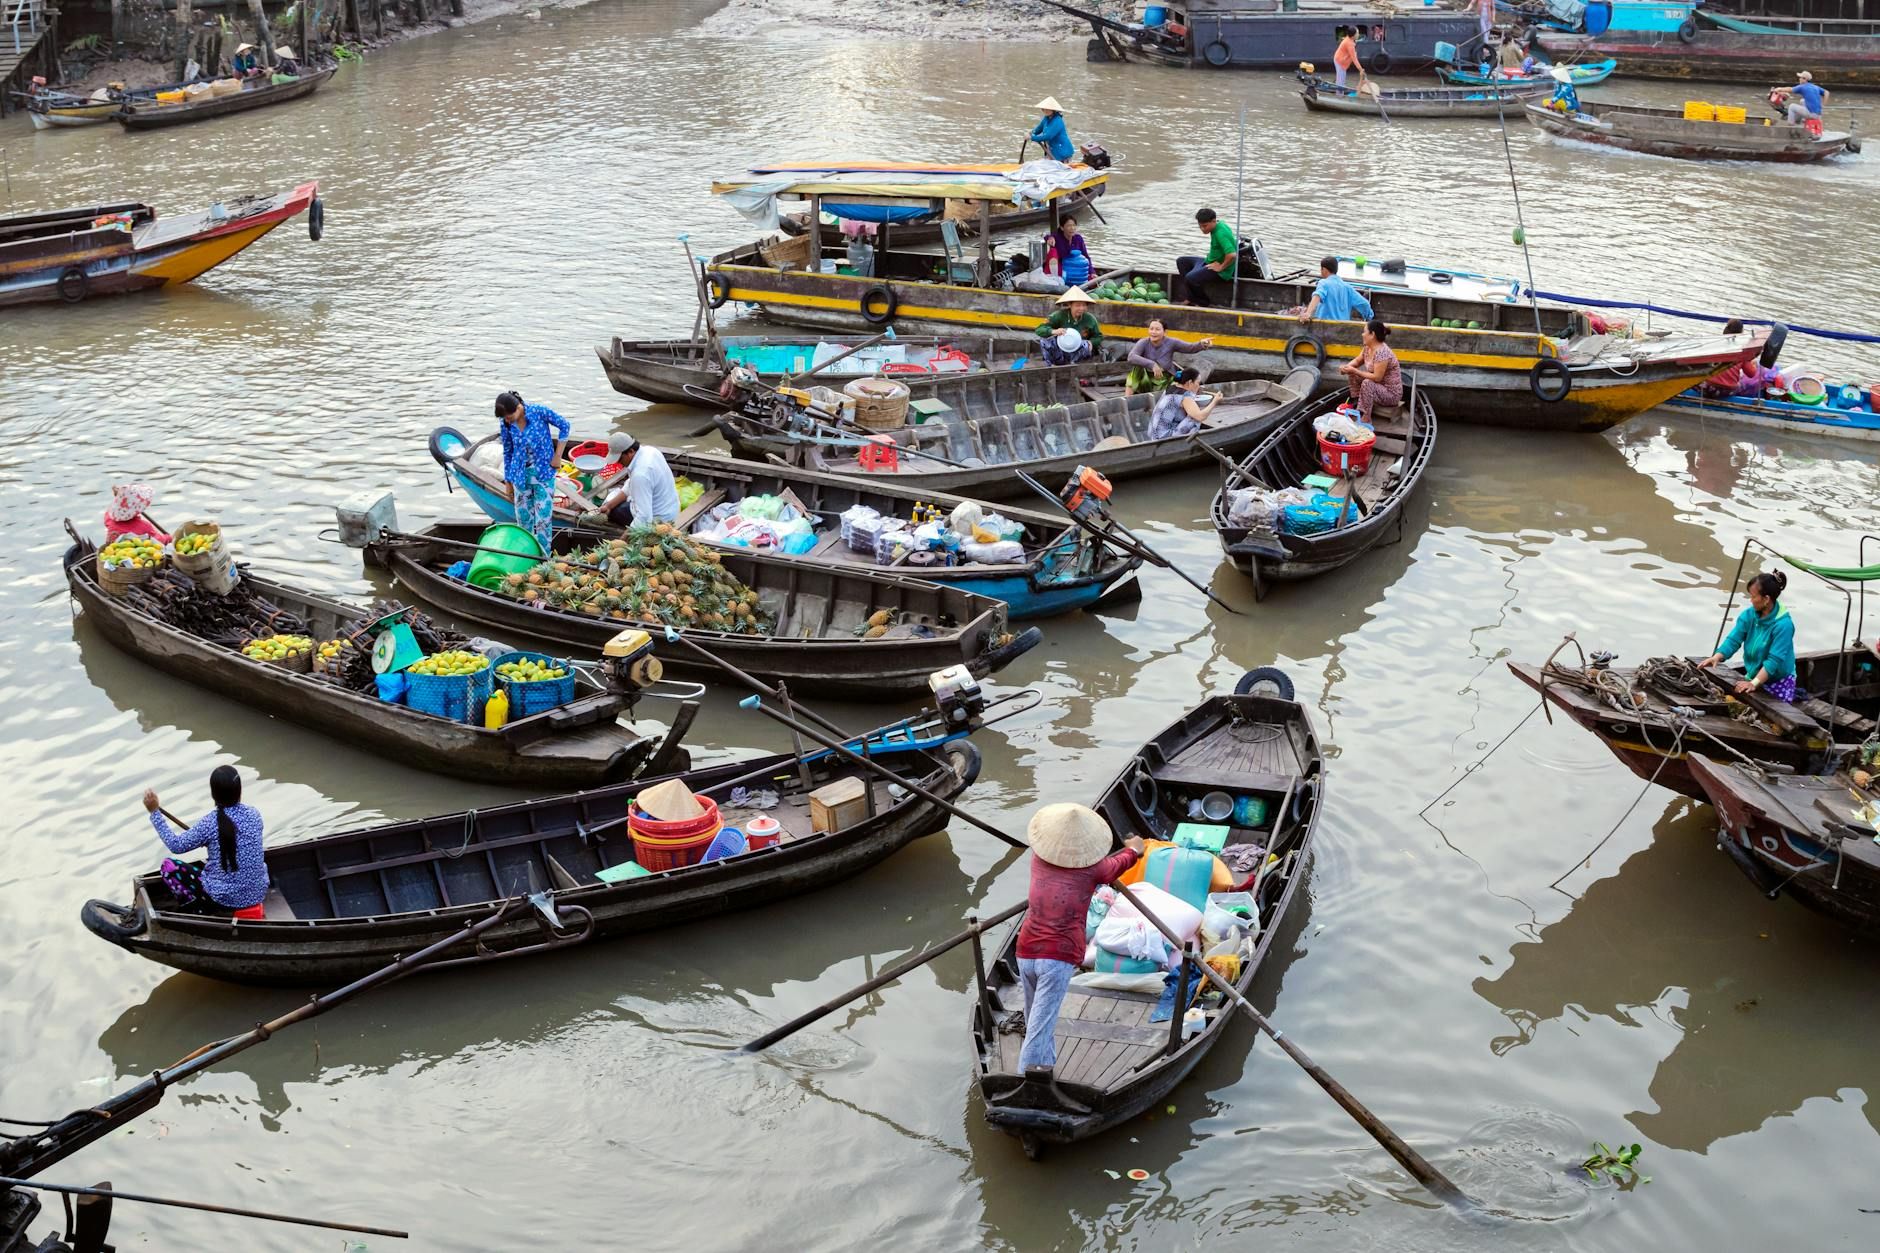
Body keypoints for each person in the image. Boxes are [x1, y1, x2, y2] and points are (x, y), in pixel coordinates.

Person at [1013, 803, 1144, 1074]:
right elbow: (1116, 865)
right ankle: (1027, 1082)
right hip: (1056, 958)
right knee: (1039, 1027)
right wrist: (1135, 850)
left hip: (1025, 951)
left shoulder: (1038, 860)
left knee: (1035, 1020)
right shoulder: (1094, 870)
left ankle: (1044, 1070)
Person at [144, 766, 268, 918]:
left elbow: (175, 845)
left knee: (168, 867)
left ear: (213, 794)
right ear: (240, 790)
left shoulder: (209, 824)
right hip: (258, 892)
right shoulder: (254, 815)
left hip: (224, 899)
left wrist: (154, 813)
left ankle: (198, 912)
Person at [1702, 571, 1799, 702]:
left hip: (1777, 680)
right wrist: (1717, 657)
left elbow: (1773, 661)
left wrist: (1754, 683)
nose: (1750, 600)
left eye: (1753, 597)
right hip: (1753, 674)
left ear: (1766, 599)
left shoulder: (1784, 626)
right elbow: (1734, 639)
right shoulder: (1749, 615)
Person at [495, 390, 570, 554]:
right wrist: (508, 482)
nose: (507, 420)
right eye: (504, 418)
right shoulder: (506, 423)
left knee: (543, 520)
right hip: (520, 477)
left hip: (543, 475)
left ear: (518, 407)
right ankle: (525, 556)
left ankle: (544, 558)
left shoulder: (539, 412)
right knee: (524, 521)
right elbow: (508, 452)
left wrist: (558, 456)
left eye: (508, 416)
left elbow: (565, 426)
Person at [579, 438, 681, 529]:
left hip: (659, 520)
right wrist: (609, 506)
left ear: (631, 452)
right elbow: (630, 485)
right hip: (672, 508)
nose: (619, 463)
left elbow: (644, 517)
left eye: (620, 459)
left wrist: (622, 541)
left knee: (616, 513)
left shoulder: (640, 474)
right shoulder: (650, 451)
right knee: (613, 506)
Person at [1124, 318, 1211, 395]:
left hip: (1163, 379)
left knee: (1183, 382)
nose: (1153, 332)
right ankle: (1127, 399)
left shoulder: (1171, 342)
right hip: (1145, 379)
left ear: (1164, 332)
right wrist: (1152, 364)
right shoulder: (1143, 342)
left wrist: (1202, 344)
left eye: (1157, 329)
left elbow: (1189, 347)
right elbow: (1131, 357)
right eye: (1151, 329)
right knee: (1136, 369)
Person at [1339, 319, 1403, 421]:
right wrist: (1347, 367)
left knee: (1367, 383)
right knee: (1353, 373)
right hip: (1377, 387)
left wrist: (1355, 370)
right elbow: (1357, 361)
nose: (1362, 334)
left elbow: (1377, 378)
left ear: (1372, 334)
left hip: (1390, 394)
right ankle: (1358, 404)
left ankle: (1366, 416)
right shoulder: (1367, 348)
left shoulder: (1382, 352)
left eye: (1364, 331)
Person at [1176, 208, 1238, 308]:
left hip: (1220, 269)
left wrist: (1221, 267)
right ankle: (1191, 297)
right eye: (1200, 226)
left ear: (1213, 221)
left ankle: (1202, 302)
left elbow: (1232, 254)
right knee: (1181, 261)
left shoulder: (1220, 233)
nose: (1202, 229)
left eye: (1205, 226)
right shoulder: (1218, 224)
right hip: (1208, 261)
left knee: (1190, 278)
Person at [1033, 287, 1101, 365]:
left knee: (1085, 345)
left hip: (1078, 350)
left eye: (1084, 305)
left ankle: (1075, 366)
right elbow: (1039, 329)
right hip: (1060, 349)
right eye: (1078, 305)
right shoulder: (1058, 315)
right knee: (1044, 341)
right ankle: (1051, 365)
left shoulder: (1090, 319)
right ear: (1070, 305)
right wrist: (1054, 331)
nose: (1081, 308)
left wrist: (1091, 342)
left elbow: (1098, 336)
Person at [1702, 320, 1771, 397]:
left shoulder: (1713, 345)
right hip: (1728, 391)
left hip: (1708, 388)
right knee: (1744, 384)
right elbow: (1751, 373)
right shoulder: (1742, 351)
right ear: (1741, 333)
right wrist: (1750, 362)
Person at [1299, 256, 1374, 325]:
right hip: (1343, 327)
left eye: (1321, 269)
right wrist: (1369, 317)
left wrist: (1308, 313)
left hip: (1324, 326)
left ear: (1324, 270)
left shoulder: (1323, 283)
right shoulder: (1347, 287)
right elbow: (1365, 304)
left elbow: (1317, 295)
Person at [1147, 368, 1217, 440]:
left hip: (1153, 435)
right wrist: (1215, 401)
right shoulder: (1185, 396)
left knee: (1188, 412)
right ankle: (1190, 438)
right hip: (1164, 438)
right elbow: (1201, 416)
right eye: (1198, 383)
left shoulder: (1171, 387)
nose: (1199, 386)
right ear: (1190, 382)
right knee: (1194, 418)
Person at [104, 483, 171, 545]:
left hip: (113, 550)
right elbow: (159, 541)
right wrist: (168, 538)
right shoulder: (144, 526)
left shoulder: (109, 518)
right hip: (134, 555)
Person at [1043, 213, 1091, 283]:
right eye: (1069, 226)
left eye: (1074, 225)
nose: (1072, 228)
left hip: (1076, 271)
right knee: (1053, 251)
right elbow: (1047, 236)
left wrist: (1092, 272)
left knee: (1092, 280)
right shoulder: (1057, 238)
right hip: (1062, 270)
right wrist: (1050, 238)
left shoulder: (1078, 239)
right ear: (1062, 228)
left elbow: (1086, 256)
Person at [1029, 96, 1076, 163]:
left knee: (1059, 171)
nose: (1046, 110)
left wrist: (1032, 137)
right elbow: (1038, 129)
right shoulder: (1046, 118)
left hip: (1062, 152)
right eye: (1044, 108)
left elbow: (1048, 136)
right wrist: (1031, 133)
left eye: (1049, 109)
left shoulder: (1057, 121)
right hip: (1051, 151)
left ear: (1053, 110)